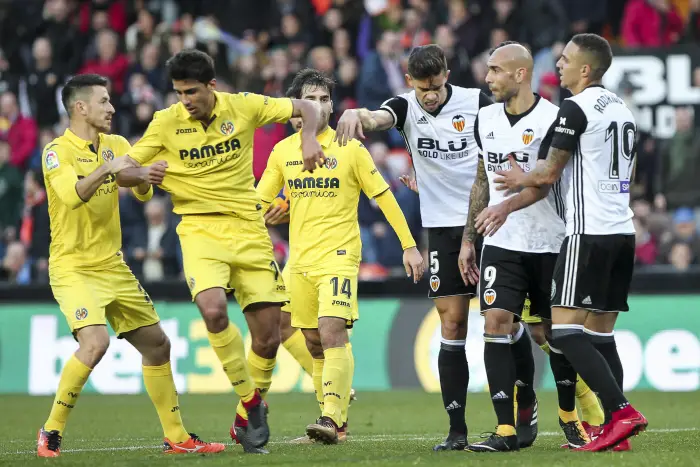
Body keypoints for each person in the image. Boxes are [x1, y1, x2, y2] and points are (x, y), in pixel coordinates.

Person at [115, 49, 325, 454]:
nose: (185, 100)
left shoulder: (244, 106)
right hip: (198, 229)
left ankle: (244, 419)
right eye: (179, 93)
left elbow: (306, 107)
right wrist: (141, 173)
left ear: (212, 86)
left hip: (248, 229)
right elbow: (124, 169)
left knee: (267, 338)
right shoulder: (165, 123)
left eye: (191, 91)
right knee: (212, 311)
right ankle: (251, 401)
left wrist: (309, 135)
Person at [37, 74, 224, 457]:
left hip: (113, 266)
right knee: (96, 342)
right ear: (80, 107)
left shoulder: (118, 144)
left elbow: (141, 191)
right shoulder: (57, 151)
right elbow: (74, 197)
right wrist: (111, 170)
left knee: (158, 345)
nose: (112, 108)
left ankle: (177, 437)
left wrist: (143, 176)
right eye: (104, 101)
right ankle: (51, 431)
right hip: (73, 266)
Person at [494, 33, 648, 452]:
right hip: (622, 231)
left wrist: (517, 178)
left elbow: (547, 173)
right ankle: (617, 435)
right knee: (600, 335)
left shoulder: (575, 108)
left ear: (585, 69)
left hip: (588, 232)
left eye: (564, 60)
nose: (557, 65)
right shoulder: (622, 109)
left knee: (562, 331)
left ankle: (620, 412)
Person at [335, 44, 491, 451]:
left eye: (437, 85)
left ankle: (519, 421)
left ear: (447, 73)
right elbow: (377, 117)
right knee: (452, 325)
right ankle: (457, 431)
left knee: (506, 323)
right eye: (423, 88)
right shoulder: (405, 107)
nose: (431, 95)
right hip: (442, 229)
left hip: (491, 222)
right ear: (409, 82)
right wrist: (357, 114)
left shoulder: (477, 102)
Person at [257, 68, 424, 444]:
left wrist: (409, 245)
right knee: (311, 341)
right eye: (311, 98)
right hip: (299, 261)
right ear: (295, 109)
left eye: (325, 98)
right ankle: (336, 416)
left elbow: (383, 197)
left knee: (332, 332)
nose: (320, 104)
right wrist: (261, 215)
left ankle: (330, 419)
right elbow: (259, 201)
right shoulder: (283, 152)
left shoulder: (350, 147)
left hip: (339, 255)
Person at [460, 41, 601, 453]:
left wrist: (505, 207)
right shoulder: (484, 118)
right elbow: (483, 179)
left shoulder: (555, 118)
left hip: (551, 239)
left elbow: (548, 180)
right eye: (488, 70)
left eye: (495, 71)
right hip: (502, 241)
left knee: (551, 332)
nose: (488, 79)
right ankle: (505, 429)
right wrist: (470, 238)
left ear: (520, 74)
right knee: (495, 322)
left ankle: (569, 414)